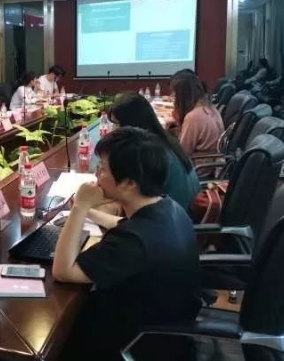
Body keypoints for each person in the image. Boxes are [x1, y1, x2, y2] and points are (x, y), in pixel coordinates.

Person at [54, 127, 201, 360]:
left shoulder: (133, 241)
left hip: (134, 342)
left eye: (103, 169)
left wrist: (80, 207)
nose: (97, 174)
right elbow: (123, 223)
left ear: (130, 183)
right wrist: (90, 211)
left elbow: (63, 271)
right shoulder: (166, 206)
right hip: (166, 326)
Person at [105, 92, 200, 213]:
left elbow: (133, 199)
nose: (114, 130)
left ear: (131, 124)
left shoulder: (149, 154)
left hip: (172, 217)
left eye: (118, 124)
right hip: (183, 212)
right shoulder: (163, 140)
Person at [170, 74, 224, 169]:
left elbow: (182, 153)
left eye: (175, 94)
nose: (172, 97)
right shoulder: (210, 108)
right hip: (209, 164)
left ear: (182, 95)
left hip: (197, 169)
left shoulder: (193, 117)